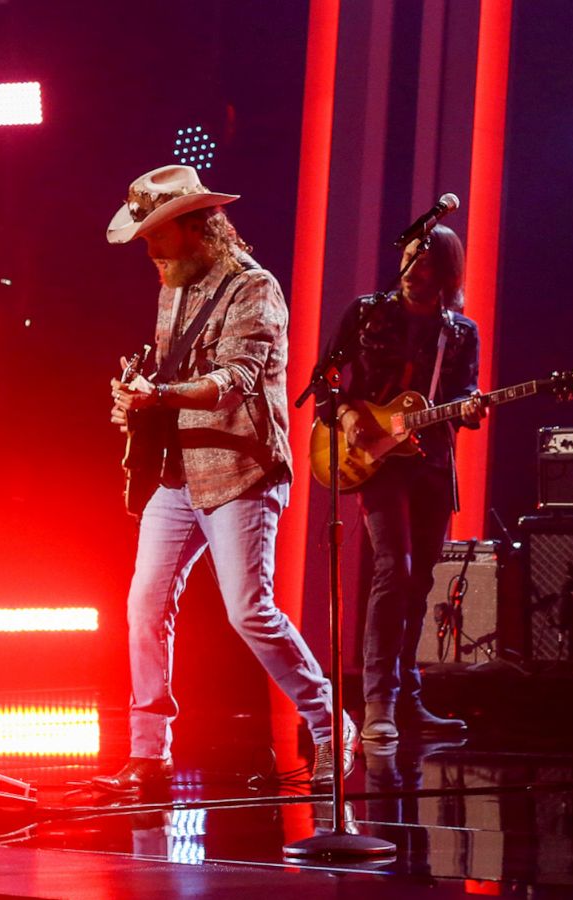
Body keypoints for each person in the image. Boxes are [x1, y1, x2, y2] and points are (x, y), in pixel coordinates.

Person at [96, 165, 355, 792]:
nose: (148, 249)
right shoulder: (173, 284)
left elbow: (236, 381)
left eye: (157, 235)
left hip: (241, 471)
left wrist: (160, 395)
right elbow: (168, 371)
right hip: (177, 473)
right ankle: (148, 751)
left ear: (194, 227)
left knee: (249, 612)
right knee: (143, 606)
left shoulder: (253, 289)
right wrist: (137, 395)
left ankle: (329, 726)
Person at [313, 225, 484, 744]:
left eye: (426, 263)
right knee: (394, 567)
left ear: (446, 273)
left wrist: (472, 407)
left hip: (431, 461)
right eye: (408, 258)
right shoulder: (367, 313)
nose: (414, 271)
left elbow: (465, 392)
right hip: (374, 459)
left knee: (421, 581)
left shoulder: (460, 331)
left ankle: (407, 698)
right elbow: (325, 379)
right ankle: (376, 703)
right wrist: (345, 418)